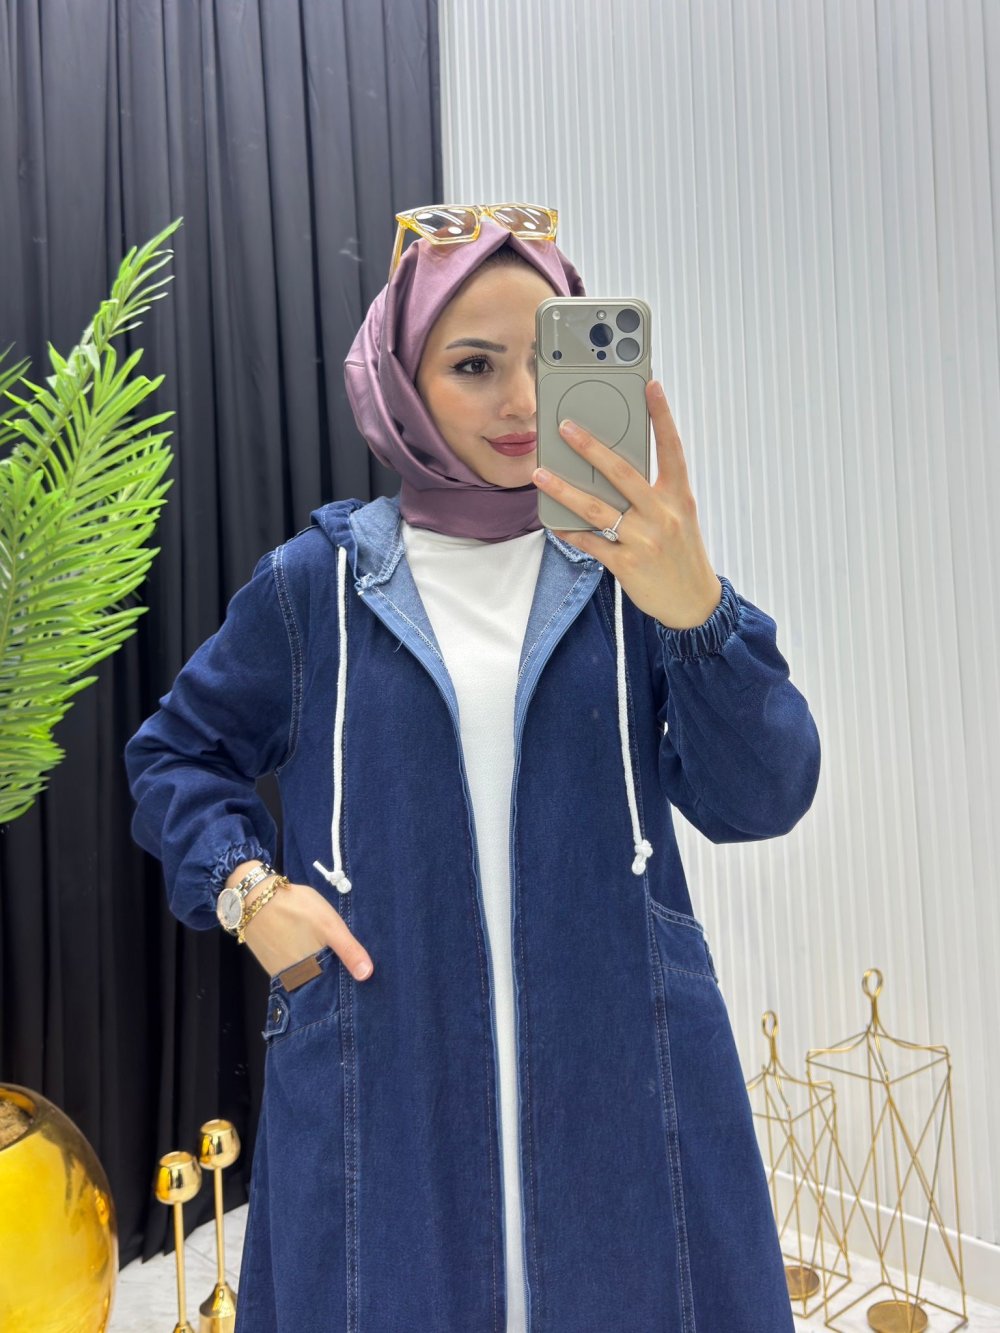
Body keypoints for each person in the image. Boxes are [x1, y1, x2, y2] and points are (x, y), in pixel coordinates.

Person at [125, 205, 821, 1332]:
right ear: (402, 382)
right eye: (473, 364)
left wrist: (698, 609)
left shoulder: (630, 577)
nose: (520, 401)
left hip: (619, 1072)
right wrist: (247, 892)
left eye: (546, 359)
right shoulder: (317, 588)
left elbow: (763, 797)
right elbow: (175, 753)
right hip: (384, 1070)